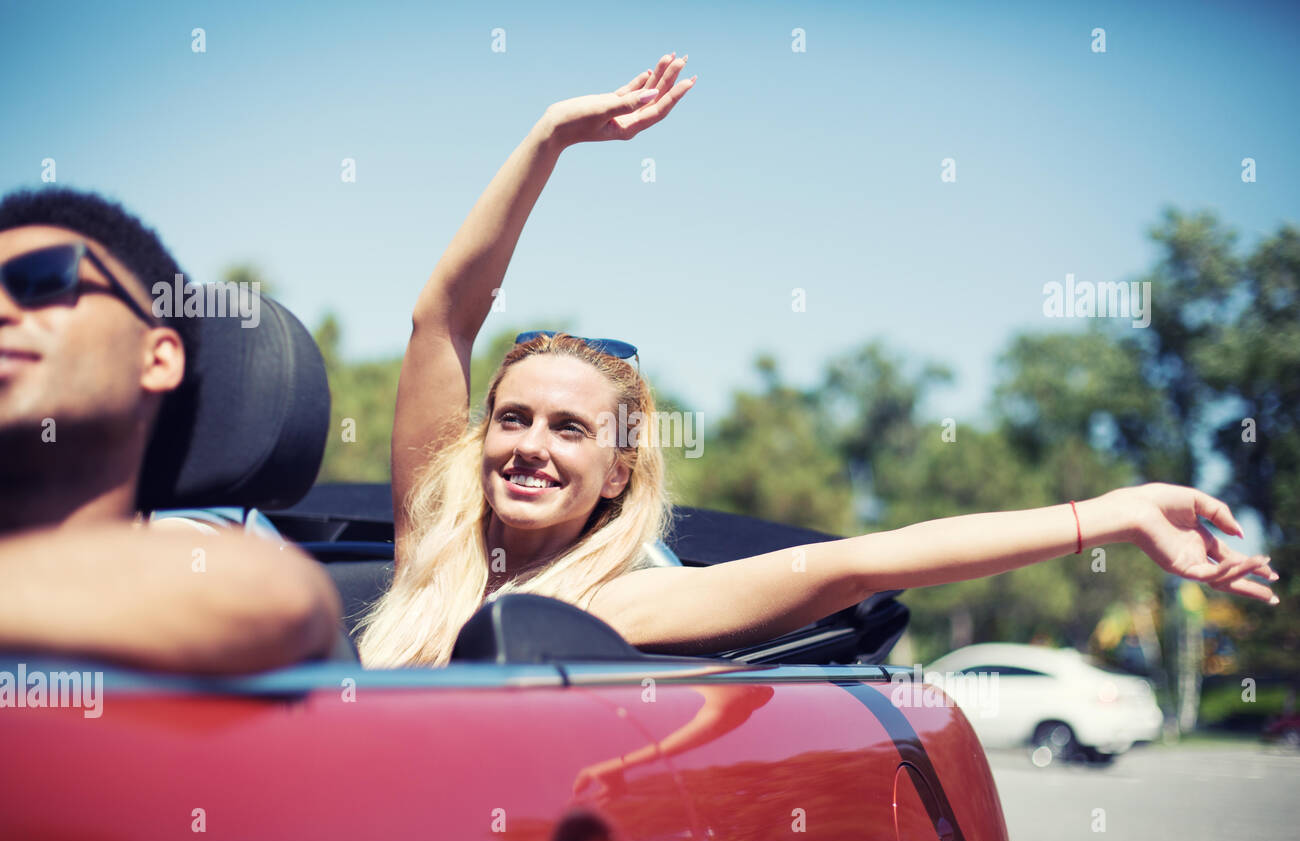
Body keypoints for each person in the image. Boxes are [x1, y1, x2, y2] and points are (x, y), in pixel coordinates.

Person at [358, 54, 1278, 668]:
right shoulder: (429, 541)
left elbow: (869, 560)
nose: (528, 445)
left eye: (569, 429)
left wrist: (1108, 515)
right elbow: (443, 320)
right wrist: (550, 137)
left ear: (617, 471)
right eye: (512, 417)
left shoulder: (621, 605)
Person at [0, 187, 342, 674]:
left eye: (42, 279)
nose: (3, 310)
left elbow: (280, 598)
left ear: (157, 359)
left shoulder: (251, 582)